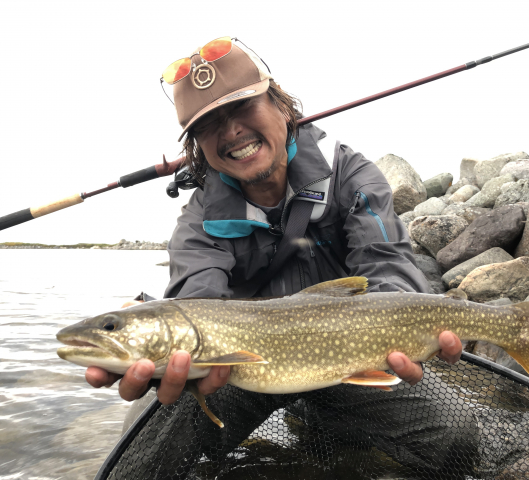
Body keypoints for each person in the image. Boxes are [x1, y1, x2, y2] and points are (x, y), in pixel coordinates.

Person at [85, 37, 477, 478]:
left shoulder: (350, 174)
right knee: (140, 463)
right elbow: (195, 300)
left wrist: (395, 335)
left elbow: (387, 261)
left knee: (456, 435)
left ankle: (327, 414)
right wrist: (160, 365)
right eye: (209, 124)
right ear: (198, 146)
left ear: (282, 107)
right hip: (238, 370)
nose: (230, 130)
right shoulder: (198, 222)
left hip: (349, 354)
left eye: (242, 108)